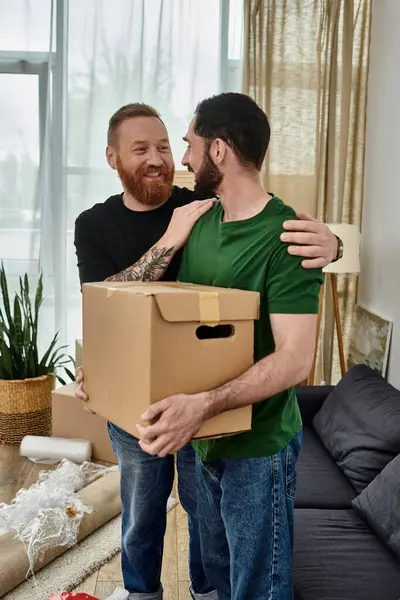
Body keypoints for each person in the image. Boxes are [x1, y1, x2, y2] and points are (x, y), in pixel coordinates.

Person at [74, 102, 339, 600]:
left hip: (246, 437)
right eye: (143, 149)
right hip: (198, 431)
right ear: (113, 158)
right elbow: (112, 306)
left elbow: (295, 357)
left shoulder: (259, 228)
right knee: (166, 527)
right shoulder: (189, 219)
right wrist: (102, 373)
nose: (175, 159)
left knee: (242, 571)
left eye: (182, 146)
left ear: (218, 149)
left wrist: (334, 244)